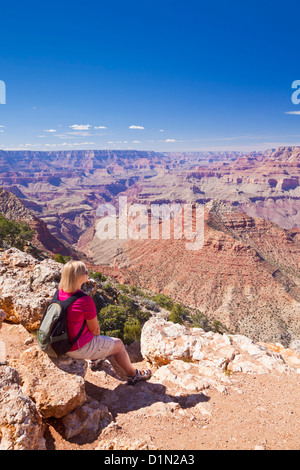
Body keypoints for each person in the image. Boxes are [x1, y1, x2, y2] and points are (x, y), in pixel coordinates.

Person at [58, 260, 151, 385]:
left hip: (61, 341)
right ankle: (133, 375)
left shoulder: (59, 293)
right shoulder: (84, 300)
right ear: (79, 277)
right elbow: (95, 330)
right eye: (85, 272)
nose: (88, 273)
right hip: (75, 347)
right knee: (118, 344)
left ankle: (95, 359)